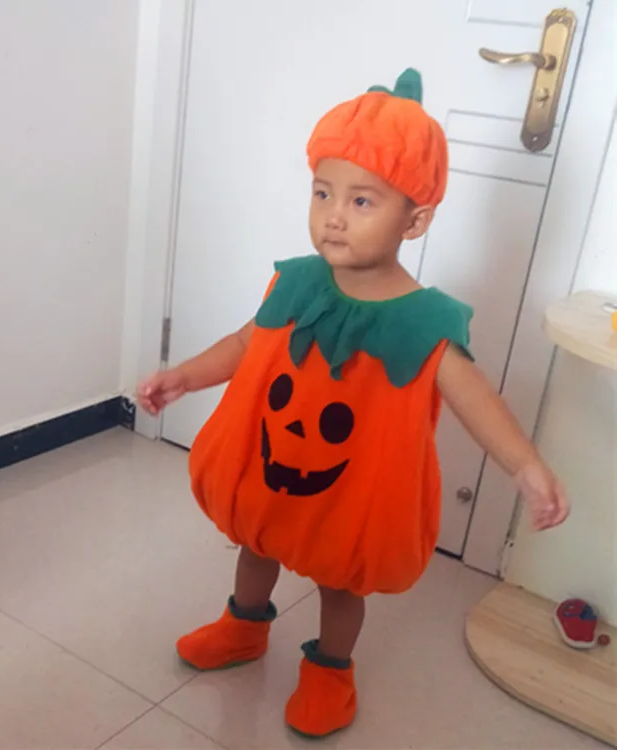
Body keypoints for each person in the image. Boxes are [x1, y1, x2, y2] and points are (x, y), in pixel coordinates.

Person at [137, 68, 569, 739]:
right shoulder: (295, 283)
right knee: (256, 545)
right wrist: (188, 376)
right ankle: (245, 626)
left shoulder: (423, 321)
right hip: (278, 469)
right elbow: (248, 343)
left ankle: (331, 668)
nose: (334, 215)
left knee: (342, 582)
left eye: (362, 200)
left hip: (351, 489)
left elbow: (475, 398)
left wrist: (525, 466)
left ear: (415, 219)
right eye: (323, 192)